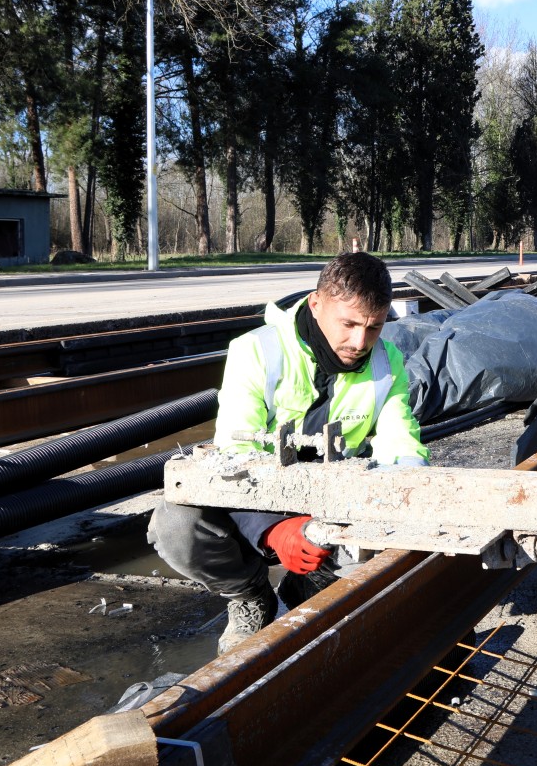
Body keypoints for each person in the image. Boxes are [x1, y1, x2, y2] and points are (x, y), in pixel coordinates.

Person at [149, 252, 428, 653]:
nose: (360, 342)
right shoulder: (257, 352)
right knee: (177, 524)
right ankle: (250, 596)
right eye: (348, 324)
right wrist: (274, 529)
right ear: (317, 305)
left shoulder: (387, 362)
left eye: (374, 327)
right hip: (254, 498)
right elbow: (234, 458)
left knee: (388, 551)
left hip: (333, 499)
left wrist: (412, 505)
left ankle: (312, 583)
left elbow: (401, 443)